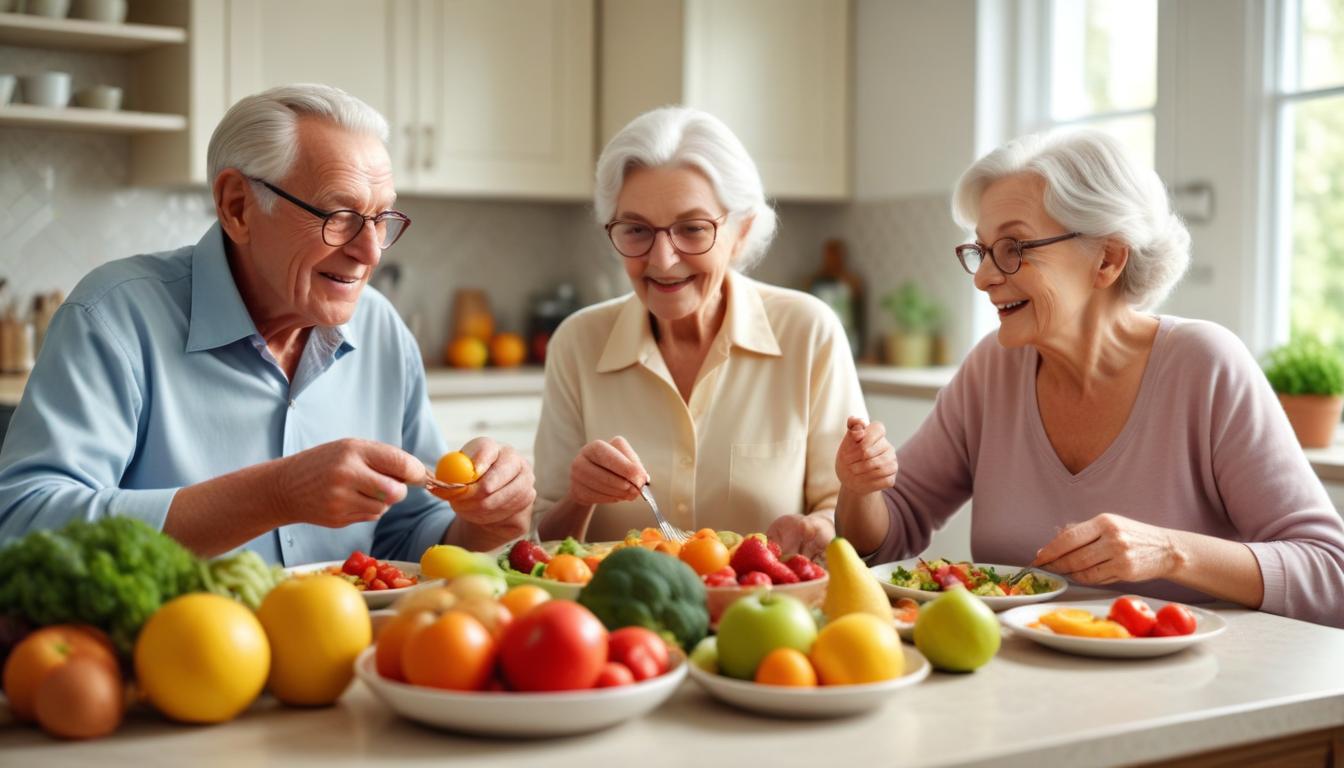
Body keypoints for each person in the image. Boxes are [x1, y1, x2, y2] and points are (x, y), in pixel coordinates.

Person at [0, 84, 534, 562]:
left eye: (380, 218)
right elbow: (22, 526)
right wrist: (274, 494)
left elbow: (405, 535)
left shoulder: (382, 330)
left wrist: (479, 525)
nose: (370, 251)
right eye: (338, 216)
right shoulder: (114, 316)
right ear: (237, 207)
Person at [835, 129, 1344, 628]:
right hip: (1022, 680)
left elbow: (1330, 574)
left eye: (1014, 248)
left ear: (1108, 258)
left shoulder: (1205, 366)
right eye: (982, 250)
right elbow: (891, 530)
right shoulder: (993, 368)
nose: (984, 277)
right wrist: (860, 490)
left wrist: (1170, 552)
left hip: (1190, 691)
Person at [532, 107, 873, 559]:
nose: (663, 259)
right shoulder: (577, 342)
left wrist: (818, 528)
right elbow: (544, 540)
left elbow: (844, 511)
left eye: (692, 229)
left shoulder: (809, 332)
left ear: (741, 233)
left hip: (765, 614)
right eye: (636, 230)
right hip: (614, 623)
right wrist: (580, 497)